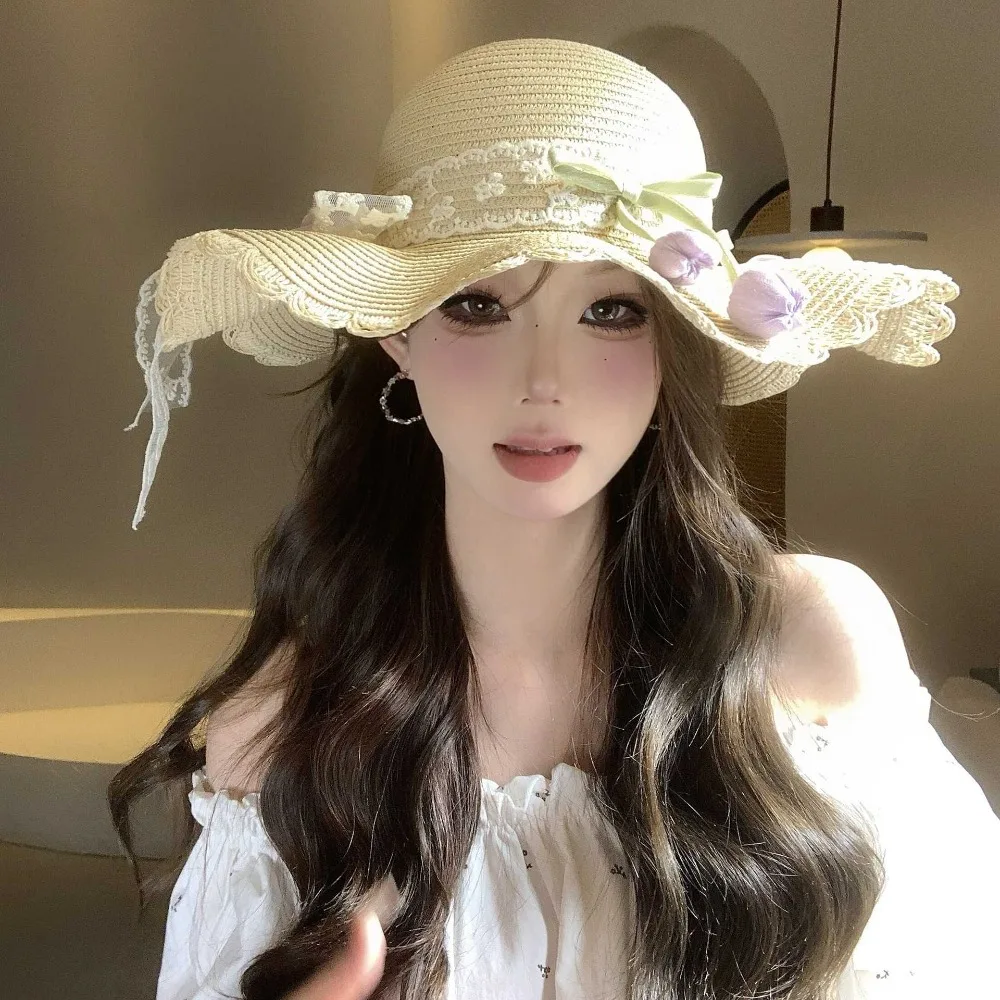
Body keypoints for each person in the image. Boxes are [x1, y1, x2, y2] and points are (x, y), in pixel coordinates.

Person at [108, 36, 1000, 1000]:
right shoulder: (283, 729)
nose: (545, 382)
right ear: (398, 336)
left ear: (674, 342)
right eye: (477, 304)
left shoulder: (807, 642)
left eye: (612, 311)